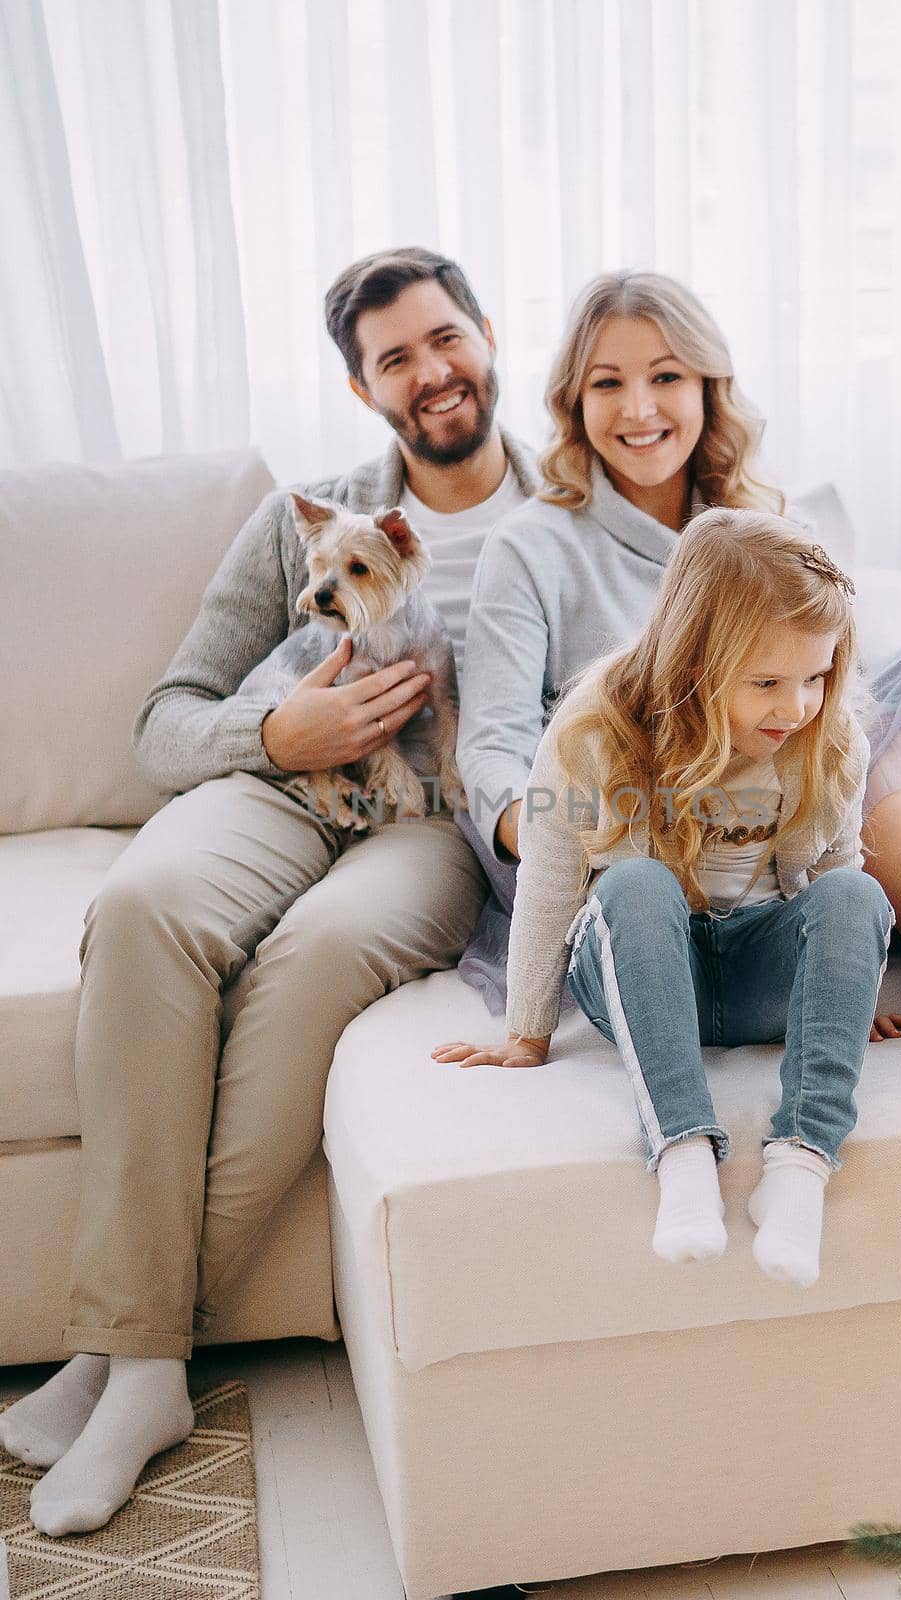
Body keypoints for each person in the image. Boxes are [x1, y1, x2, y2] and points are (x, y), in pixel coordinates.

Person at [0, 247, 537, 1538]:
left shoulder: (565, 514)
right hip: (277, 780)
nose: (431, 373)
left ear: (485, 335)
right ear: (362, 390)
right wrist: (277, 736)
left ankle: (129, 1353)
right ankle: (141, 1367)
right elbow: (162, 720)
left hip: (436, 825)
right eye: (392, 358)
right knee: (140, 910)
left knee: (314, 959)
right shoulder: (308, 514)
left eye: (442, 338)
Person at [454, 269, 901, 1073]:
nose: (638, 409)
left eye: (665, 377)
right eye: (608, 383)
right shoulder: (531, 545)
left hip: (776, 801)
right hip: (634, 822)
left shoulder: (776, 523)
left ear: (711, 388)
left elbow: (837, 684)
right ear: (573, 402)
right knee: (841, 737)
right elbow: (491, 745)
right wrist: (567, 827)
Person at [435, 510, 895, 1290]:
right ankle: (682, 1153)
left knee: (859, 891)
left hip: (752, 971)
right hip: (642, 972)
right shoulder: (593, 730)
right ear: (694, 660)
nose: (796, 706)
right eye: (766, 683)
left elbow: (834, 868)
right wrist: (527, 1030)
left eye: (815, 677)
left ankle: (801, 1164)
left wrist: (842, 987)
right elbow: (549, 883)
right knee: (633, 884)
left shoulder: (827, 737)